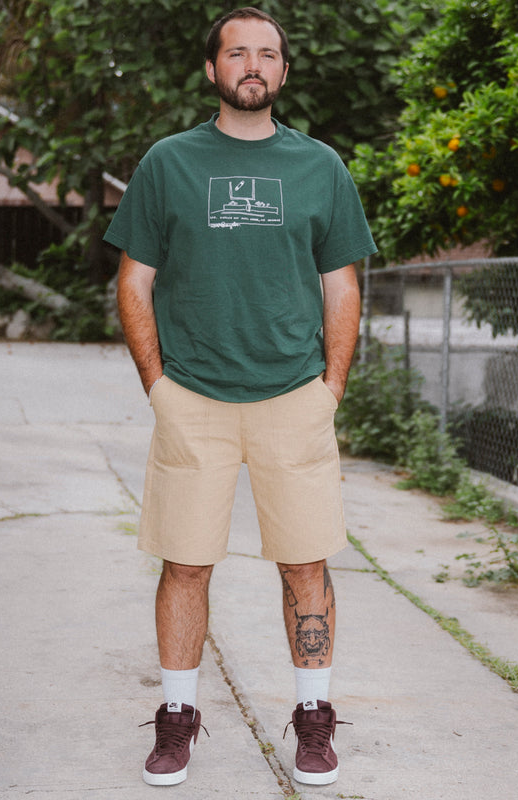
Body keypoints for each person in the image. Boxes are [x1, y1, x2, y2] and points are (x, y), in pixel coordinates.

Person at [103, 6, 377, 787]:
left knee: (305, 565)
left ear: (284, 73)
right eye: (236, 53)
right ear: (213, 69)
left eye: (266, 54)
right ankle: (177, 718)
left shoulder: (321, 167)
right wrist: (157, 385)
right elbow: (135, 280)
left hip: (295, 397)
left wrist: (331, 388)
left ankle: (316, 719)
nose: (251, 65)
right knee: (184, 564)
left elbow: (341, 286)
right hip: (193, 397)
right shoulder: (168, 163)